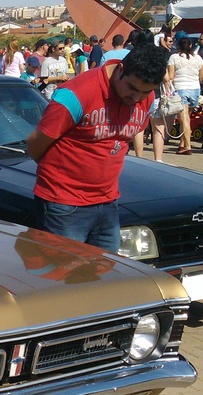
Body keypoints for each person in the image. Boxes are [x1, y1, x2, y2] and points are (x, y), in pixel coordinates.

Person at [26, 42, 168, 253]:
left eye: (145, 92)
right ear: (120, 69)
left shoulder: (144, 98)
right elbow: (36, 143)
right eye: (132, 88)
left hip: (108, 202)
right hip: (64, 205)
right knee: (62, 276)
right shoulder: (76, 93)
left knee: (104, 278)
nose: (136, 98)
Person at [168, 36, 203, 155]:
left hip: (180, 88)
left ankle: (187, 146)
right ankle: (181, 144)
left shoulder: (174, 57)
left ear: (178, 46)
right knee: (186, 118)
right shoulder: (198, 58)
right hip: (195, 89)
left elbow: (171, 77)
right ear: (191, 46)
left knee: (183, 119)